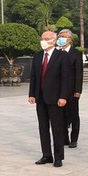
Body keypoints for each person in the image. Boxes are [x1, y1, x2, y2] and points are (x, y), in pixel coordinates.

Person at [28, 31, 70, 167]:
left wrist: (63, 96)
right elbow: (34, 76)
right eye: (42, 38)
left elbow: (65, 78)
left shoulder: (62, 56)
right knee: (43, 127)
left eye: (46, 39)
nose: (43, 41)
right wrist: (32, 94)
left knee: (57, 128)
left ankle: (58, 157)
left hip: (55, 98)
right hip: (40, 97)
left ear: (54, 40)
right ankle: (46, 155)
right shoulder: (38, 56)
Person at [57, 29, 83, 148]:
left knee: (73, 115)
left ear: (70, 39)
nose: (61, 38)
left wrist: (78, 90)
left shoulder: (76, 53)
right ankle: (64, 138)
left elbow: (79, 73)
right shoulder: (56, 53)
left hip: (72, 90)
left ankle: (74, 139)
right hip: (59, 89)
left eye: (63, 36)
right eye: (59, 36)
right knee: (61, 115)